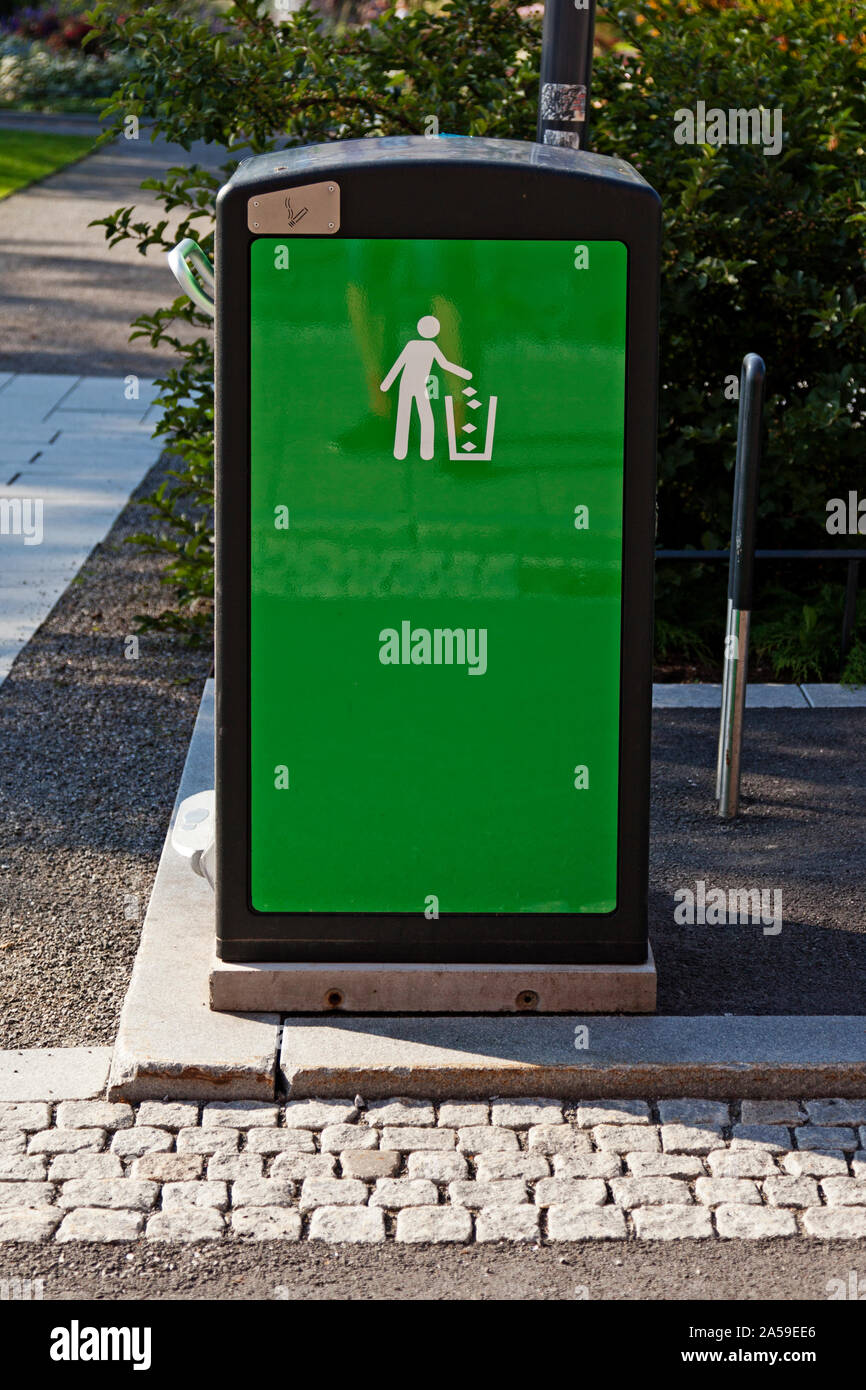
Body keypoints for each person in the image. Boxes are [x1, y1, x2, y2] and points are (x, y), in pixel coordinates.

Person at [380, 314, 472, 460]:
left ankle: (402, 448)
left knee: (407, 414)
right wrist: (463, 373)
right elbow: (445, 364)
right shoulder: (432, 347)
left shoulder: (413, 346)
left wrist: (387, 382)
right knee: (425, 415)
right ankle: (425, 449)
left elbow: (399, 364)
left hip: (408, 382)